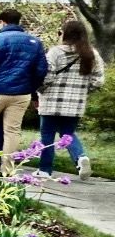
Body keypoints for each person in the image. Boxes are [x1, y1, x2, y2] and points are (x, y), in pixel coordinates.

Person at [0, 8, 48, 173]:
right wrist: (30, 86)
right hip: (21, 94)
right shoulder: (34, 42)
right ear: (18, 21)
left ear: (1, 22)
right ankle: (8, 169)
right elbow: (41, 70)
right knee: (12, 131)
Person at [36, 19, 104, 177]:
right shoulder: (92, 54)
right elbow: (98, 81)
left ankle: (45, 171)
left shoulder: (56, 52)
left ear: (64, 33)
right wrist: (82, 91)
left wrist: (39, 89)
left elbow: (47, 76)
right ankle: (81, 157)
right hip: (76, 103)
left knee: (47, 136)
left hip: (51, 102)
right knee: (68, 133)